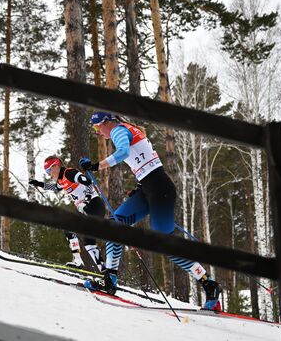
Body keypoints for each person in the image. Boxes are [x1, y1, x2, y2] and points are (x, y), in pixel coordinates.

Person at [79, 111, 222, 311]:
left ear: (107, 122)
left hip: (160, 189)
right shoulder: (125, 130)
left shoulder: (119, 130)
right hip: (147, 189)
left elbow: (121, 153)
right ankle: (110, 281)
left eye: (97, 127)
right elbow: (144, 164)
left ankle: (209, 284)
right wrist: (139, 187)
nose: (98, 132)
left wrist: (96, 166)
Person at [29, 155, 105, 271]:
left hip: (94, 205)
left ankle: (104, 270)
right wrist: (39, 184)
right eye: (47, 171)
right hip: (84, 208)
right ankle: (81, 261)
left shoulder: (69, 173)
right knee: (76, 234)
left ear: (56, 166)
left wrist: (87, 200)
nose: (49, 173)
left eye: (49, 170)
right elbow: (56, 188)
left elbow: (89, 182)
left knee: (86, 238)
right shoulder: (61, 180)